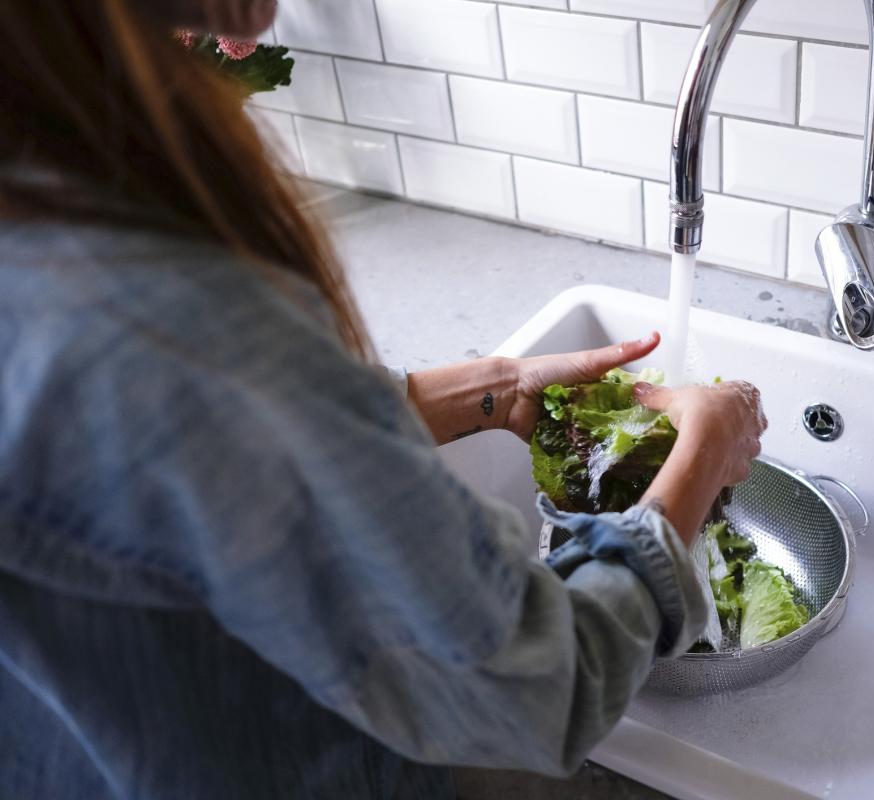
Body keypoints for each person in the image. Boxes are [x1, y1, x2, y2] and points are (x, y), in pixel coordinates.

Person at [0, 1, 767, 798]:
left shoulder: (47, 212)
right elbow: (540, 689)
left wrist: (495, 391)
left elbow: (211, 459)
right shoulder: (173, 310)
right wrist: (704, 453)